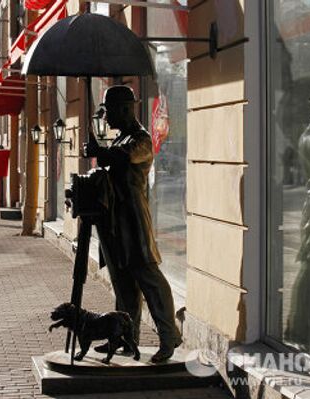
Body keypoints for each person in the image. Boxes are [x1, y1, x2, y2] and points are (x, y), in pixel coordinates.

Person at [83, 86, 182, 363]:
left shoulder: (141, 139)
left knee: (149, 280)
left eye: (110, 111)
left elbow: (125, 156)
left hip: (133, 219)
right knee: (123, 284)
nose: (107, 118)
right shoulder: (120, 139)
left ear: (125, 109)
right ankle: (126, 339)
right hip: (115, 220)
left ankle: (169, 336)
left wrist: (99, 152)